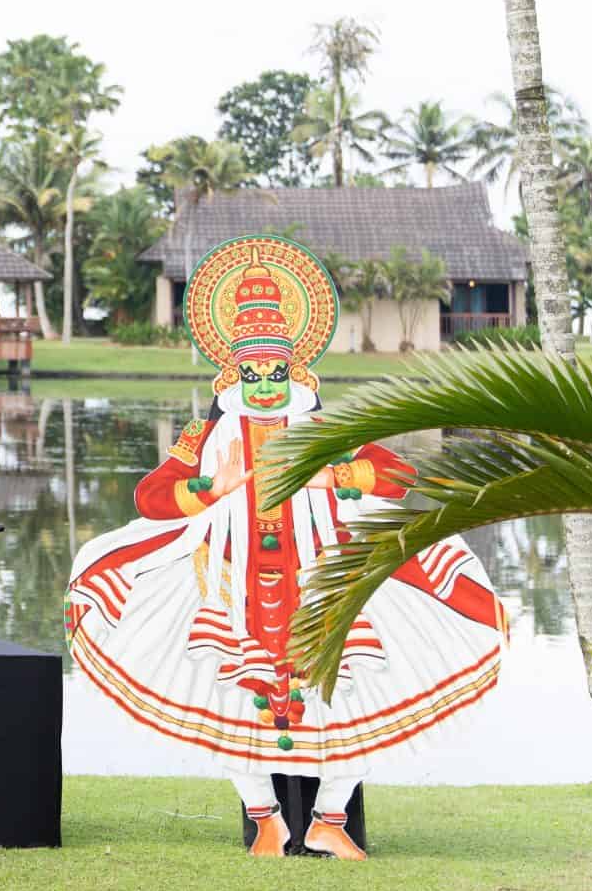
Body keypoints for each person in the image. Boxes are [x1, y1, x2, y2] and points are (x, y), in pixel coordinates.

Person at [66, 236, 506, 858]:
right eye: (253, 374)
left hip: (323, 583)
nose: (267, 386)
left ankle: (329, 820)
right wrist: (207, 487)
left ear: (298, 373)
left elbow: (401, 476)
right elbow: (150, 497)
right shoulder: (205, 433)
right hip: (230, 585)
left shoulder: (327, 430)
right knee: (235, 702)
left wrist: (340, 475)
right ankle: (264, 819)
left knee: (356, 698)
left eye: (277, 373)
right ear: (232, 375)